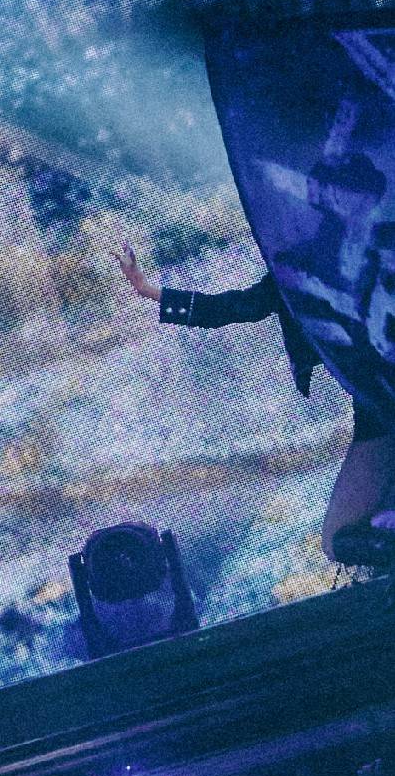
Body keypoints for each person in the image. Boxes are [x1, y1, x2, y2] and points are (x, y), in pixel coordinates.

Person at [115, 235, 394, 563]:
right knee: (338, 539)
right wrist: (147, 290)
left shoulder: (378, 249)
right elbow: (231, 308)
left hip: (379, 405)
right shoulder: (296, 273)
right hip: (376, 411)